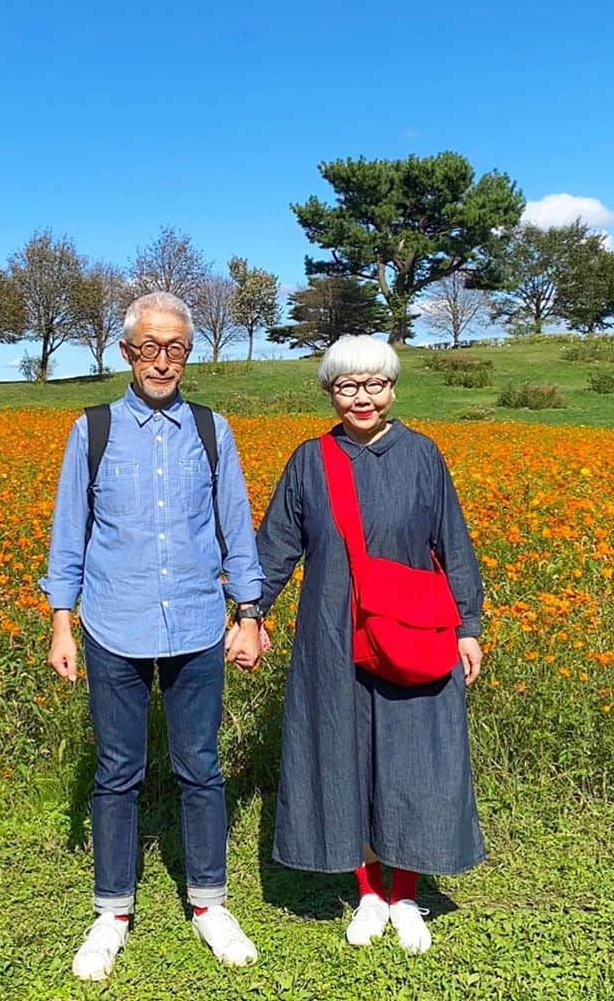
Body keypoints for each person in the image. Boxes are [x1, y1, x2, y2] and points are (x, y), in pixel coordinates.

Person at [41, 292, 265, 982]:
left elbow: (235, 523)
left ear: (187, 355)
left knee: (200, 765)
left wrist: (249, 613)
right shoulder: (94, 429)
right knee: (116, 771)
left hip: (199, 622)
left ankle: (209, 902)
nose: (161, 360)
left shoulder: (211, 429)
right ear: (126, 352)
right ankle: (112, 911)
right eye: (149, 347)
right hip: (115, 622)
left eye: (174, 348)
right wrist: (62, 623)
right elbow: (68, 530)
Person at [254, 334, 485, 955]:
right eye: (348, 386)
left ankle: (406, 891)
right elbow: (275, 548)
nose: (363, 398)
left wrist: (468, 625)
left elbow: (454, 545)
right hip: (332, 632)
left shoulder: (423, 456)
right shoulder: (309, 461)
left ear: (392, 388)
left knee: (414, 757)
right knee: (343, 753)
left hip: (415, 632)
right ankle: (368, 892)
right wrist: (251, 613)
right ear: (330, 393)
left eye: (375, 384)